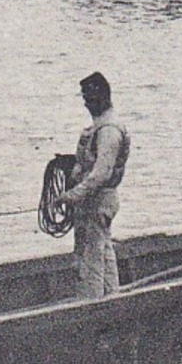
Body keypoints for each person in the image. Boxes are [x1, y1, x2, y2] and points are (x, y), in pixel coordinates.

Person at [54, 72, 130, 298]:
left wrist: (71, 195)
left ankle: (93, 306)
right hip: (96, 202)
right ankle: (111, 298)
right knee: (103, 252)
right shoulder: (102, 126)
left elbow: (101, 173)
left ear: (101, 97)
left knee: (90, 260)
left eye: (88, 98)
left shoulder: (109, 130)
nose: (85, 103)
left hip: (98, 202)